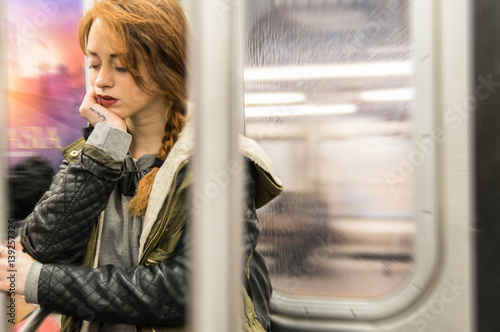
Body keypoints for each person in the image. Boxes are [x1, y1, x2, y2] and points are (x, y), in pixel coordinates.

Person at [0, 1, 283, 331]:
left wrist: (40, 280)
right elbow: (42, 249)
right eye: (93, 64)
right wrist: (104, 147)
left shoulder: (218, 160)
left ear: (165, 65)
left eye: (120, 67)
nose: (101, 81)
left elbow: (186, 291)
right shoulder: (96, 154)